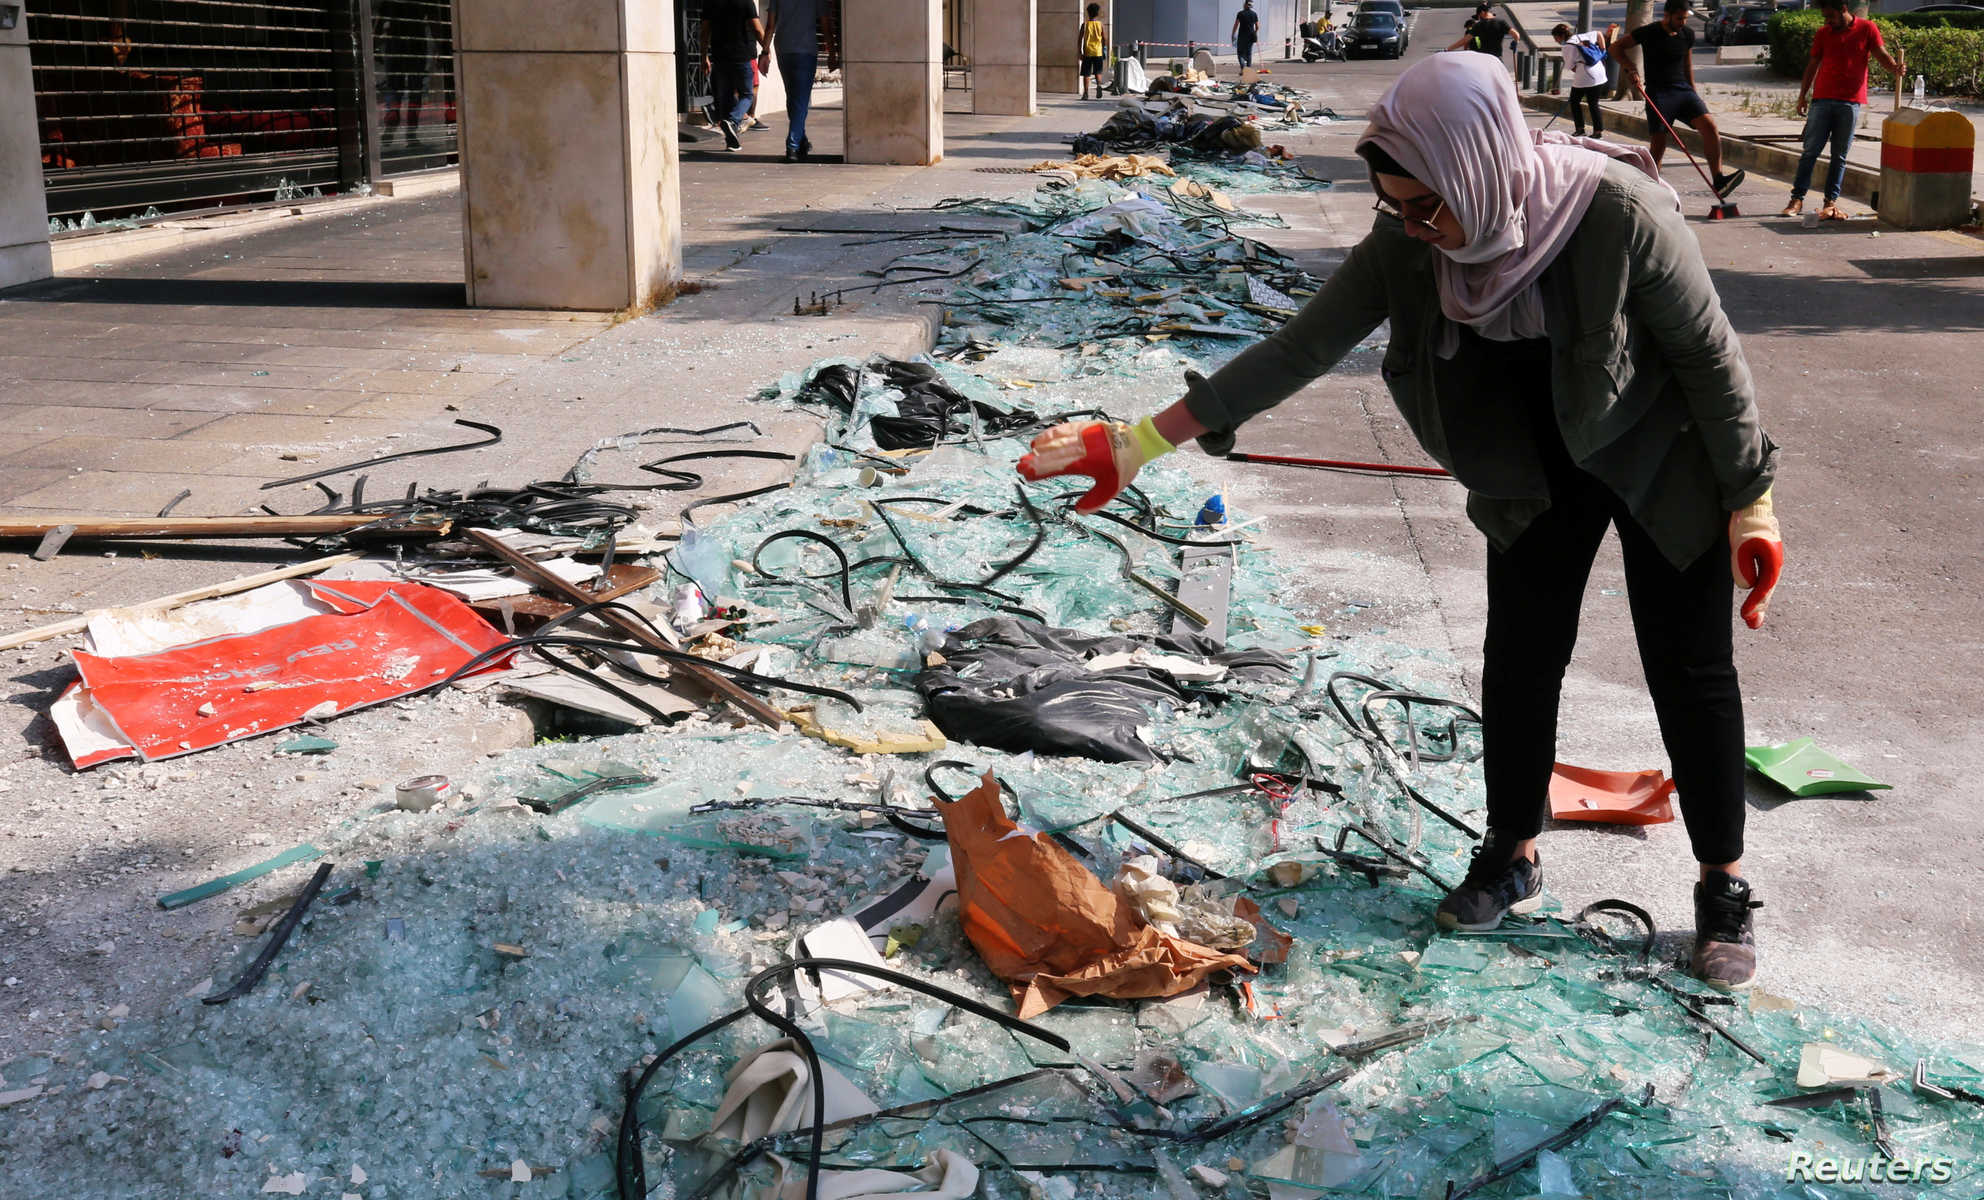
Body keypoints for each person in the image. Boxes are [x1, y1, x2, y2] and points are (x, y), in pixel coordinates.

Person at [1016, 52, 1783, 992]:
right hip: (1530, 475)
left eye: (1430, 205)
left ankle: (1723, 884)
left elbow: (1711, 358)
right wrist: (1141, 443)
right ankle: (1512, 851)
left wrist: (1754, 501)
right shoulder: (1412, 243)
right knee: (1521, 658)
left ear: (1481, 167)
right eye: (1400, 207)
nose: (1417, 226)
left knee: (1689, 666)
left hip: (1659, 454)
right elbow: (1303, 343)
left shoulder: (1618, 215)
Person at [1784, 0, 1904, 219]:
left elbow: (1881, 54)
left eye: (1831, 16)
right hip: (1821, 101)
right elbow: (1812, 65)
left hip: (1850, 103)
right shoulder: (1823, 33)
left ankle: (1830, 203)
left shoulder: (1867, 29)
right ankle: (1797, 199)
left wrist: (1895, 67)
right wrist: (1803, 96)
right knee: (1810, 152)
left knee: (1839, 156)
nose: (1828, 21)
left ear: (1844, 10)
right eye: (1825, 17)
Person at [1616, 0, 1744, 198]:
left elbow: (1687, 65)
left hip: (1683, 92)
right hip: (1659, 93)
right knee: (1658, 145)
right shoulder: (1649, 32)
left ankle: (1719, 180)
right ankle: (1651, 191)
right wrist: (1630, 68)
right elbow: (1616, 48)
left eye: (1685, 18)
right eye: (1679, 18)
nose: (1682, 22)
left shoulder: (1687, 34)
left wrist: (1694, 93)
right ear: (1667, 15)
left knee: (1710, 127)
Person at [762, 0, 839, 162]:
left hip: (783, 48)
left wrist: (764, 51)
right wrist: (832, 53)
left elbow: (770, 25)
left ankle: (801, 140)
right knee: (801, 100)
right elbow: (826, 24)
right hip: (806, 50)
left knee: (793, 98)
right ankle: (793, 145)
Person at [703, 0, 764, 152]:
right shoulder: (745, 2)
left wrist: (703, 56)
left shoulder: (711, 3)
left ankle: (732, 141)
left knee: (727, 97)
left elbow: (704, 31)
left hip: (720, 57)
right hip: (742, 56)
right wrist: (767, 49)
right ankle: (734, 120)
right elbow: (757, 29)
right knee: (747, 95)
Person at [1552, 22, 1619, 139]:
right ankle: (1598, 131)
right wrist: (1603, 51)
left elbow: (1570, 66)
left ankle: (1580, 129)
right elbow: (1599, 34)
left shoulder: (1567, 47)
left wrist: (1579, 68)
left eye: (1556, 38)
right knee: (1593, 103)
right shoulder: (1582, 36)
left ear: (1561, 36)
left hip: (1585, 76)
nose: (1556, 40)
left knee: (1574, 101)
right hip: (1600, 72)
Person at [1449, 3, 1513, 59]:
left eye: (1478, 16)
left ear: (1482, 13)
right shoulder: (1501, 22)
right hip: (1497, 58)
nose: (1479, 19)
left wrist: (1449, 49)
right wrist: (1515, 41)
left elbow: (1465, 41)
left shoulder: (1478, 26)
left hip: (1483, 58)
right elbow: (1516, 34)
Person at [1080, 4, 1109, 100]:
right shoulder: (1100, 24)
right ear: (1097, 13)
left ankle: (1086, 93)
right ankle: (1099, 86)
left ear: (1088, 13)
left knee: (1086, 73)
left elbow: (1080, 39)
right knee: (1098, 72)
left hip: (1087, 52)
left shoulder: (1085, 25)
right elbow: (1104, 38)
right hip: (1098, 52)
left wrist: (1080, 51)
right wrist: (1104, 48)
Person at [1232, 0, 1260, 71]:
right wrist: (1255, 32)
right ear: (1250, 6)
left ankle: (1243, 68)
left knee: (1240, 53)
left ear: (1245, 4)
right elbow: (1257, 27)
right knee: (1249, 53)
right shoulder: (1254, 14)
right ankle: (1248, 70)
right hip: (1251, 36)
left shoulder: (1240, 14)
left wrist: (1233, 34)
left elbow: (1236, 25)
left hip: (1242, 36)